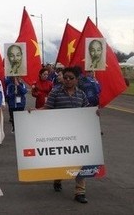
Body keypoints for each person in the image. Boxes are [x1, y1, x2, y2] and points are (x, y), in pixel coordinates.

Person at [40, 66, 92, 204]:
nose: (67, 80)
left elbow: (87, 112)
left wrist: (94, 115)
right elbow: (47, 109)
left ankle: (80, 192)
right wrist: (33, 113)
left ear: (76, 79)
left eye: (71, 78)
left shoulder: (81, 94)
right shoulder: (55, 93)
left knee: (79, 162)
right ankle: (58, 178)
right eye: (65, 77)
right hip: (60, 133)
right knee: (61, 162)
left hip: (77, 134)